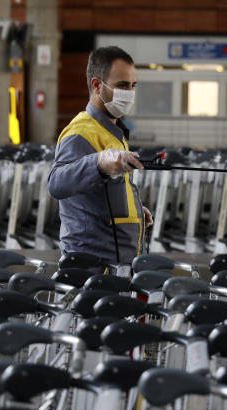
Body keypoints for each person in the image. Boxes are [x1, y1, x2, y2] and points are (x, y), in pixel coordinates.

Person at [47, 46, 152, 267]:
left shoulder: (112, 131)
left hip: (117, 265)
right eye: (122, 85)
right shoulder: (81, 133)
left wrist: (134, 210)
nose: (129, 93)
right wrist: (98, 162)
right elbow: (57, 183)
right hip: (92, 269)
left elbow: (101, 191)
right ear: (97, 85)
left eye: (133, 86)